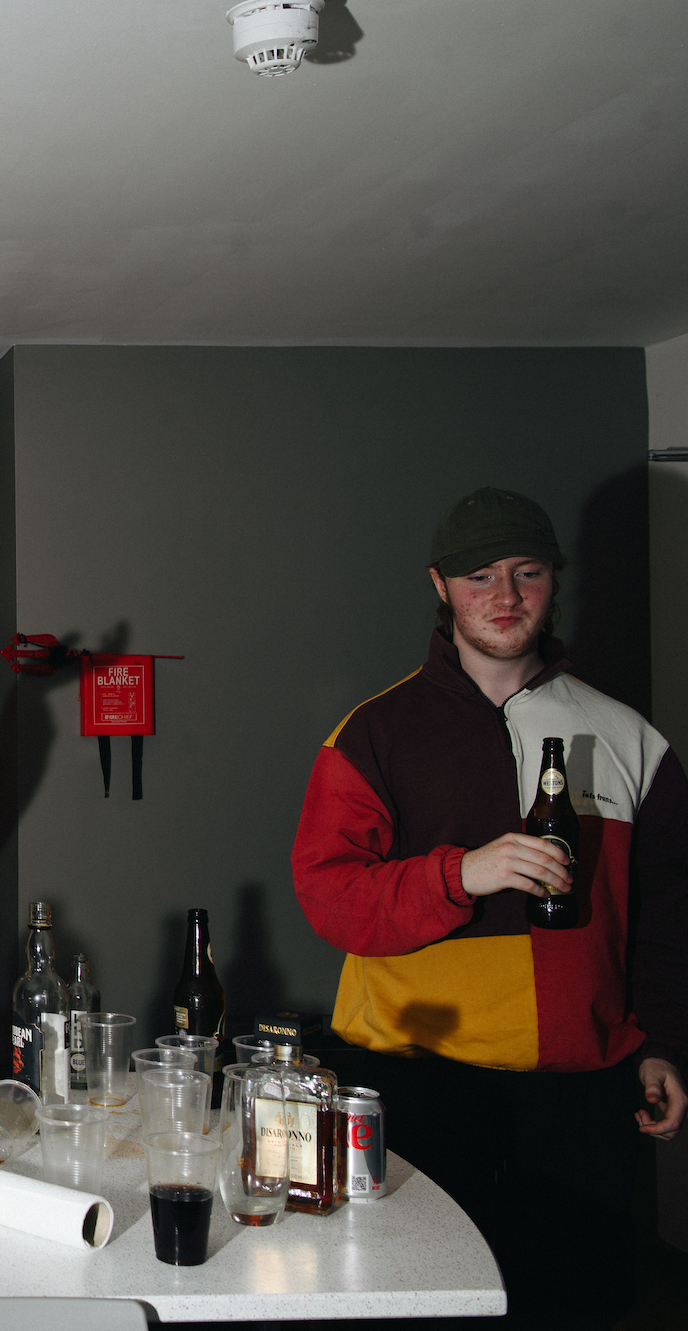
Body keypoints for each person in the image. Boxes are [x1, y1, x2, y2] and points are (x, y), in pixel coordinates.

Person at [291, 486, 687, 1329]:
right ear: (440, 585)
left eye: (527, 573)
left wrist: (662, 1044)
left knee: (576, 1307)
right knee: (417, 1310)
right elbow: (331, 898)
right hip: (420, 1078)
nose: (505, 597)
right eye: (480, 576)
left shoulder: (628, 737)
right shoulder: (372, 735)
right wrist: (460, 874)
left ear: (553, 581)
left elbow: (667, 909)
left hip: (580, 1094)